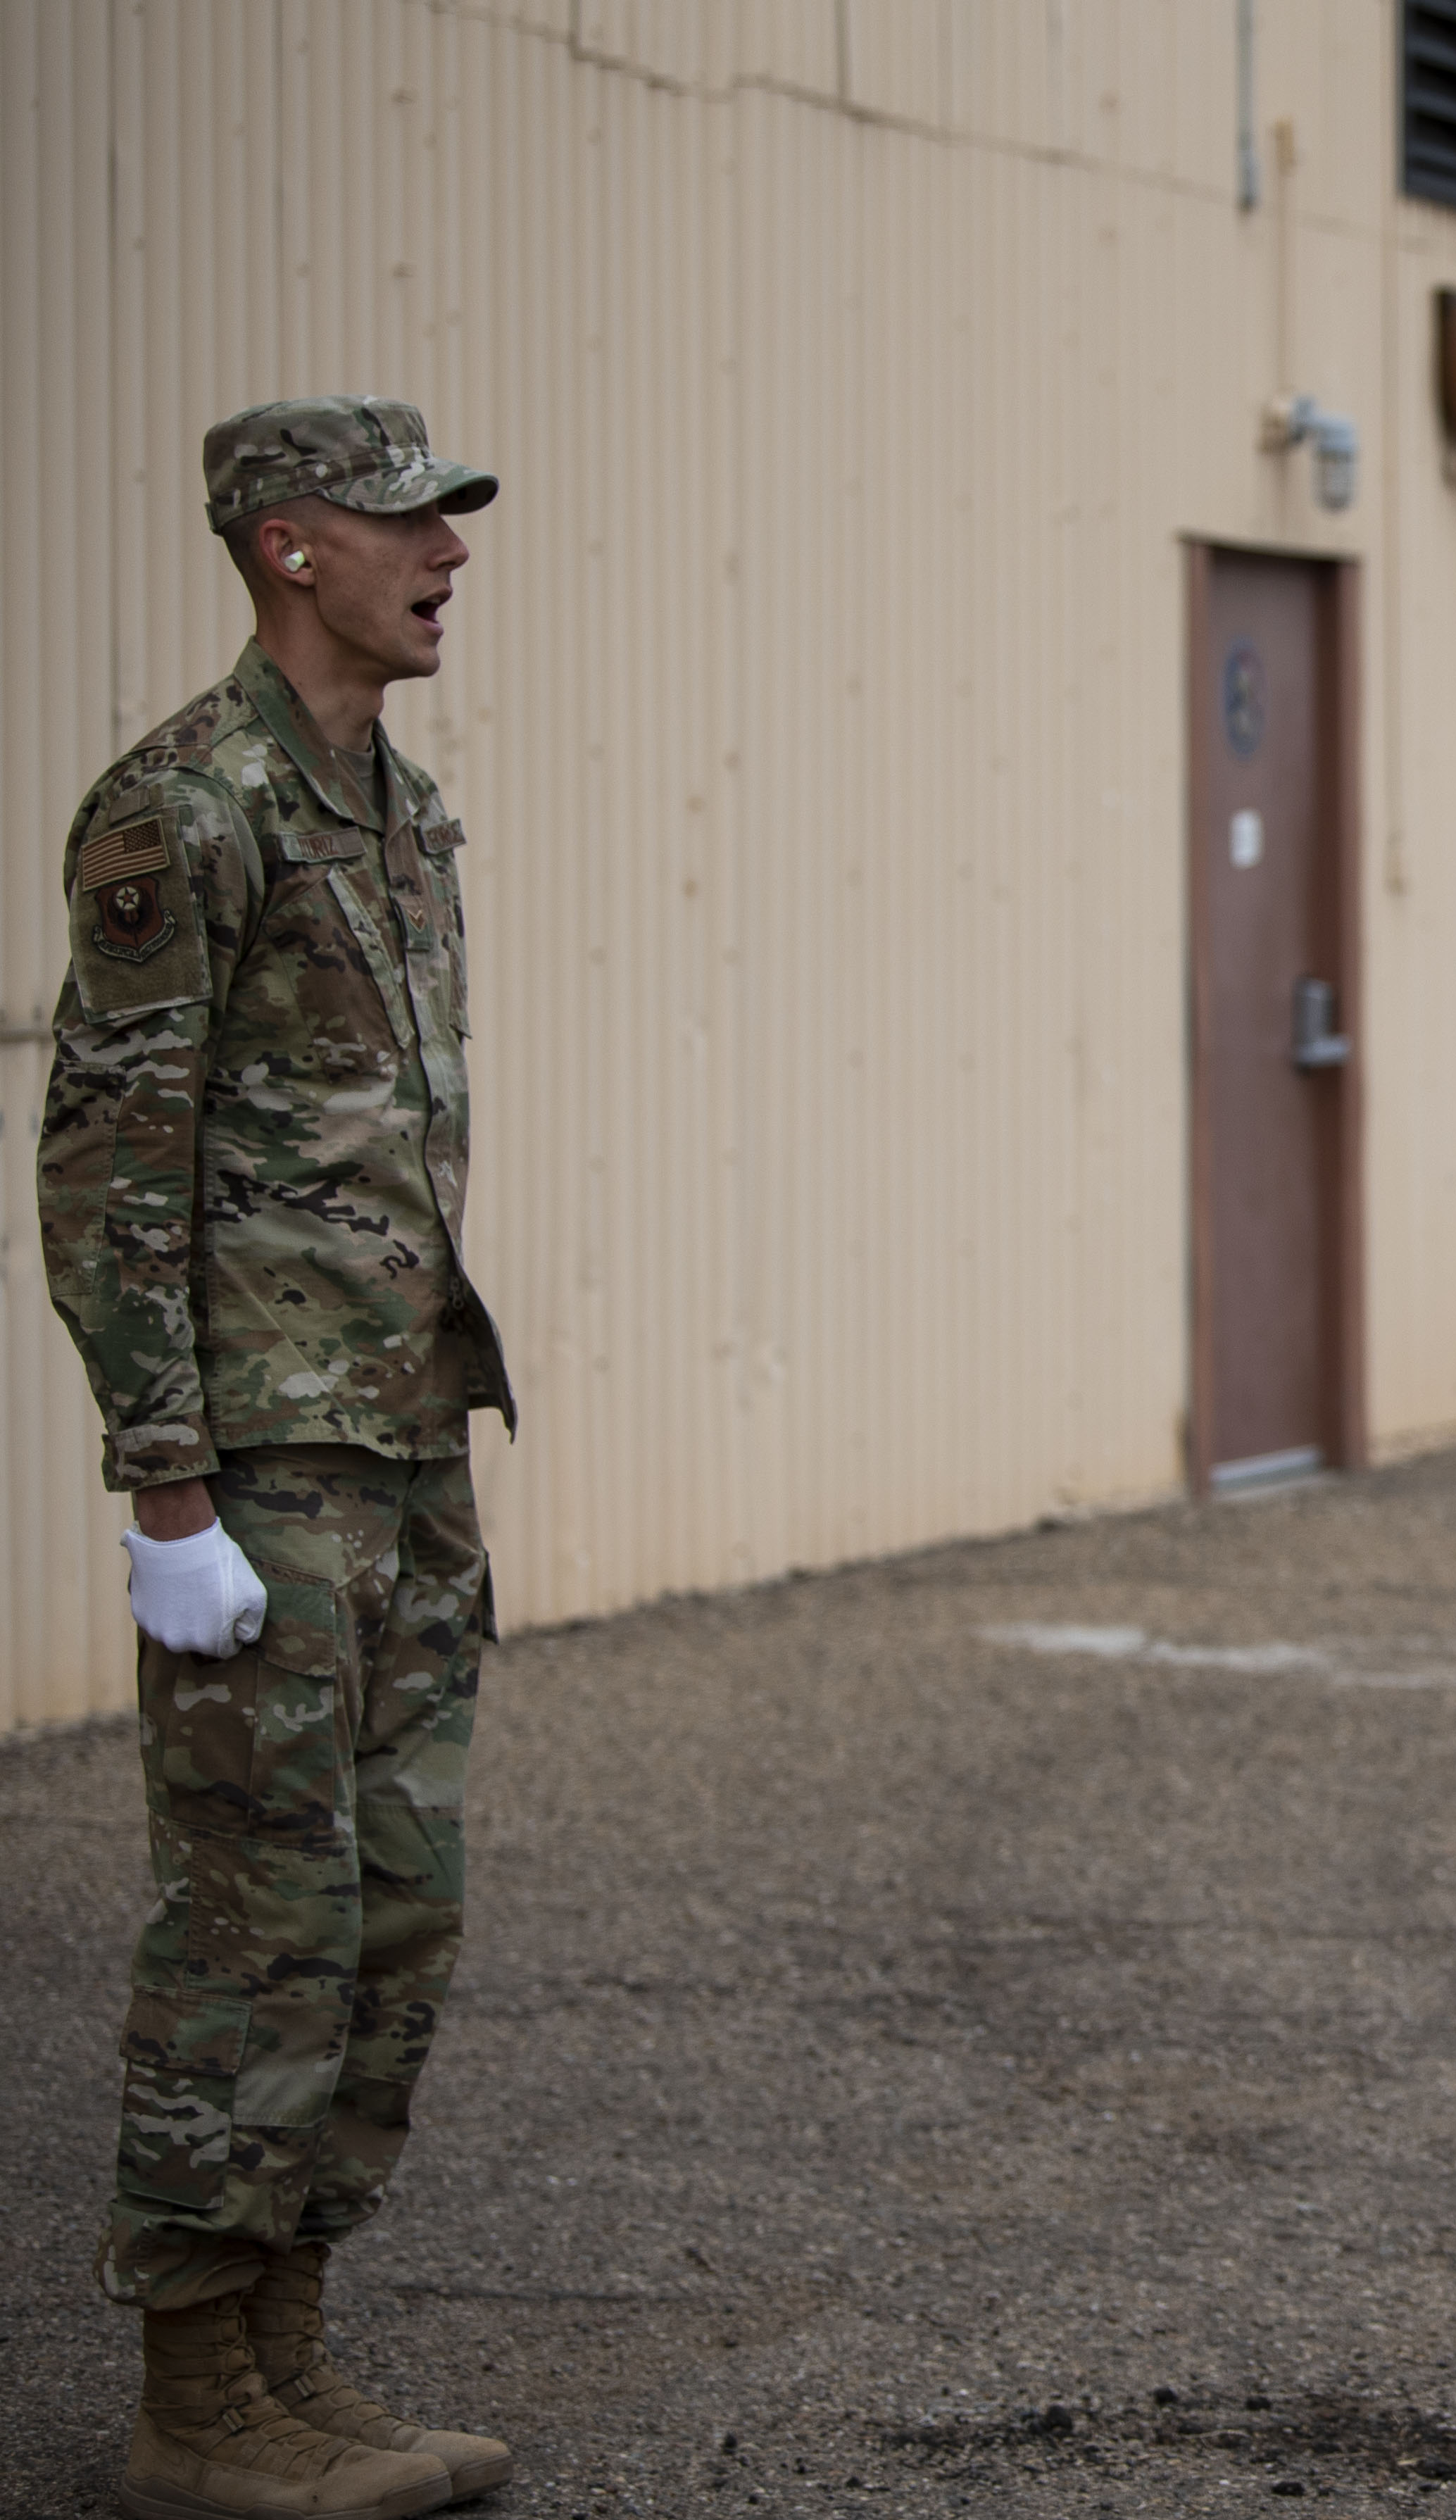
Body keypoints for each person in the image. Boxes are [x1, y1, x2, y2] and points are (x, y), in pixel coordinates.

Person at [38, 396, 521, 2519]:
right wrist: (166, 1487)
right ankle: (193, 2399)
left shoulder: (399, 814)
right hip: (260, 1465)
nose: (449, 554)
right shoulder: (186, 807)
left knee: (396, 1911)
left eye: (449, 522)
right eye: (407, 522)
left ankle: (289, 2352)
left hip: (402, 1441)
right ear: (288, 546)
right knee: (259, 1918)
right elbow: (111, 1157)